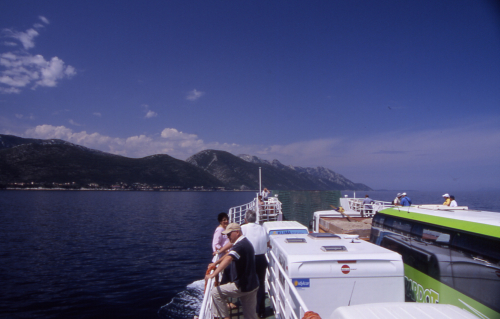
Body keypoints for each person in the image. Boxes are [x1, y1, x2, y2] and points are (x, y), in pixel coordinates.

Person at [206, 223, 259, 319]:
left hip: (242, 285)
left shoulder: (240, 246)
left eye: (229, 234)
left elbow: (228, 259)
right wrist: (216, 263)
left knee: (215, 292)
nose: (227, 237)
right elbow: (230, 254)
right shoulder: (245, 242)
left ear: (237, 232)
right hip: (252, 285)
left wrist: (213, 274)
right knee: (250, 316)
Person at [241, 210, 270, 318]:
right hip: (262, 259)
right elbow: (268, 242)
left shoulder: (243, 228)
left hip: (249, 259)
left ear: (245, 219)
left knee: (248, 285)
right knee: (261, 284)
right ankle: (261, 311)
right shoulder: (262, 228)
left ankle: (250, 311)